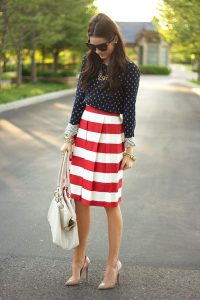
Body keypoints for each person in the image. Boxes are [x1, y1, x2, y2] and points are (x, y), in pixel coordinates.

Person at [60, 12, 140, 290]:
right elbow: (78, 100)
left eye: (101, 46)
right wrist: (69, 136)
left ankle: (112, 265)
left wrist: (129, 150)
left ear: (114, 40)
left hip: (109, 139)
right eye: (91, 46)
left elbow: (129, 109)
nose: (96, 51)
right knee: (80, 199)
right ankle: (78, 261)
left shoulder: (129, 70)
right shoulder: (89, 62)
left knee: (109, 201)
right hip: (85, 133)